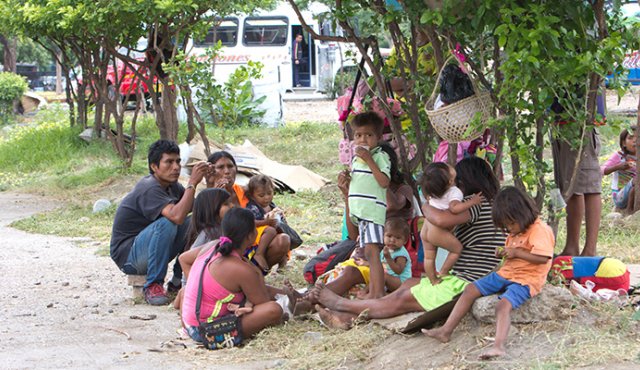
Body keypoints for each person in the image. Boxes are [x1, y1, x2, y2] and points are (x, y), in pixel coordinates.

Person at [309, 157, 506, 329]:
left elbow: (440, 221)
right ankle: (346, 318)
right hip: (473, 277)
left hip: (466, 281)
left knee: (403, 299)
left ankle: (341, 305)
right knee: (410, 283)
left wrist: (427, 204)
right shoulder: (495, 203)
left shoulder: (475, 202)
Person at [423, 186, 555, 360]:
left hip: (526, 279)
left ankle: (498, 346)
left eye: (511, 224)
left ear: (522, 213)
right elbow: (512, 250)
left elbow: (543, 258)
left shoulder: (540, 229)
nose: (509, 230)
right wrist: (503, 252)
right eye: (505, 227)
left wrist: (516, 253)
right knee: (470, 289)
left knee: (502, 305)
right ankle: (445, 331)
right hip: (506, 273)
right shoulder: (516, 230)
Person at [110, 140, 210, 305]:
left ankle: (177, 281)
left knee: (196, 220)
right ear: (154, 167)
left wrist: (211, 183)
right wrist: (192, 183)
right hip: (129, 257)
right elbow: (176, 216)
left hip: (152, 249)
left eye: (178, 161)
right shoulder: (149, 187)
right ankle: (153, 285)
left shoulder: (171, 186)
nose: (176, 167)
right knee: (167, 223)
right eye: (169, 162)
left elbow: (196, 207)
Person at [181, 208, 282, 343]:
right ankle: (299, 303)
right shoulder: (242, 269)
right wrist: (257, 272)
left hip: (189, 322)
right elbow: (263, 302)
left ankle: (300, 297)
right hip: (206, 332)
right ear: (251, 236)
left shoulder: (213, 245)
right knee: (273, 310)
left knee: (185, 290)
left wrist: (197, 283)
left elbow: (183, 258)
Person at [206, 151, 289, 273]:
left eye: (230, 166)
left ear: (236, 169)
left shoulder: (244, 191)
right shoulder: (209, 196)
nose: (227, 171)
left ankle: (256, 273)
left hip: (252, 242)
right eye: (220, 167)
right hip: (228, 251)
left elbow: (263, 196)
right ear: (211, 172)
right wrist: (213, 190)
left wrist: (273, 213)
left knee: (283, 240)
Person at [344, 111, 391, 299]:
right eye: (358, 135)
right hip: (361, 213)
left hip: (372, 213)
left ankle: (377, 293)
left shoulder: (380, 157)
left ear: (378, 138)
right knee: (368, 255)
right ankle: (372, 289)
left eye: (369, 135)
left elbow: (384, 181)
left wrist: (369, 159)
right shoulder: (355, 160)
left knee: (373, 253)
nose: (363, 139)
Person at [551, 93, 604, 256]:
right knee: (570, 184)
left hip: (580, 119)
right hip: (561, 117)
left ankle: (589, 250)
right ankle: (571, 246)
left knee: (589, 183)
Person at [420, 162, 483, 285]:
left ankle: (432, 280)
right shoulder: (454, 191)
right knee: (456, 249)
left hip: (427, 227)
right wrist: (472, 202)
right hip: (437, 230)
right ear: (450, 181)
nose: (450, 166)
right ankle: (443, 272)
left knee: (429, 257)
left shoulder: (432, 191)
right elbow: (454, 208)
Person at [173, 188, 234, 310]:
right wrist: (193, 286)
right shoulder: (208, 234)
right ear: (212, 209)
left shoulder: (224, 230)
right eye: (226, 204)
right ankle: (183, 295)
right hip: (196, 283)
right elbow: (187, 259)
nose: (232, 206)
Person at [245, 175, 290, 272]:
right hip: (257, 238)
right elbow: (250, 221)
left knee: (285, 234)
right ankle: (259, 254)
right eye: (261, 195)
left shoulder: (272, 206)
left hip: (272, 236)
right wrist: (265, 222)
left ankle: (283, 260)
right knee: (270, 230)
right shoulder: (253, 207)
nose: (266, 198)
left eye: (269, 193)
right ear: (252, 195)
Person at [601, 126, 637, 215]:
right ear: (623, 143)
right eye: (630, 138)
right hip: (620, 197)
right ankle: (628, 211)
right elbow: (602, 170)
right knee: (637, 179)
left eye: (638, 137)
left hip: (636, 194)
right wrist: (618, 167)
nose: (635, 140)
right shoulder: (619, 156)